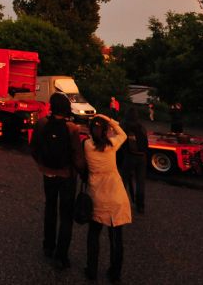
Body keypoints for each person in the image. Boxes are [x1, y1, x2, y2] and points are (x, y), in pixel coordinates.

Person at [30, 93, 87, 269]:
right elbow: (77, 156)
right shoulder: (72, 128)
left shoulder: (41, 124)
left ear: (52, 107)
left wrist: (42, 164)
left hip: (48, 174)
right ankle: (61, 255)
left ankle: (48, 246)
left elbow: (34, 148)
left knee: (50, 208)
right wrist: (83, 172)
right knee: (66, 215)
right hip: (66, 176)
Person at [84, 114, 131, 283]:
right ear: (106, 131)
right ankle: (115, 273)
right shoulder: (111, 145)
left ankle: (91, 270)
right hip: (116, 195)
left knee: (94, 235)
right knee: (116, 237)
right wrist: (108, 119)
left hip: (98, 195)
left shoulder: (87, 145)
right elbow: (123, 135)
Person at [120, 107, 148, 214]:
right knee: (140, 182)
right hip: (142, 157)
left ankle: (121, 204)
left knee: (123, 181)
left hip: (129, 157)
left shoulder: (124, 125)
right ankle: (140, 206)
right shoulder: (141, 126)